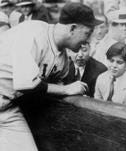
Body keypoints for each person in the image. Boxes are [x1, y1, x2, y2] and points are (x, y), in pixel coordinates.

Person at [0, 2, 102, 151]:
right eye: (87, 33)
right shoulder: (32, 32)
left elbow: (63, 82)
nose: (88, 41)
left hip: (7, 108)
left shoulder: (63, 58)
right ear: (72, 28)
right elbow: (26, 84)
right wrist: (65, 90)